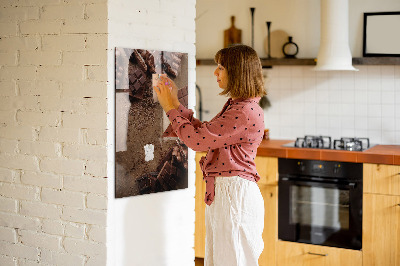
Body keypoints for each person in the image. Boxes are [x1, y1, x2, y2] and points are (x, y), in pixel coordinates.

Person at [154, 44, 266, 266]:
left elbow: (197, 141)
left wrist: (169, 108)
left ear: (237, 72)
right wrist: (176, 104)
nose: (215, 72)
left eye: (221, 67)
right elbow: (205, 133)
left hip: (234, 195)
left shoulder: (243, 111)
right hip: (229, 193)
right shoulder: (239, 106)